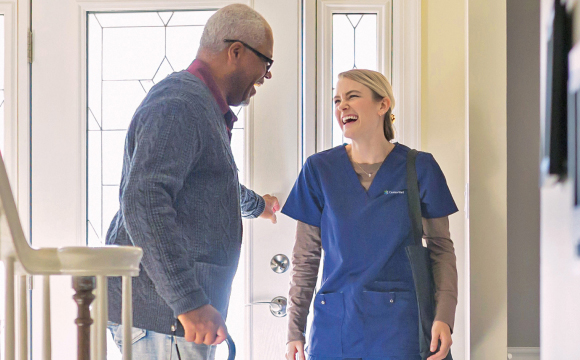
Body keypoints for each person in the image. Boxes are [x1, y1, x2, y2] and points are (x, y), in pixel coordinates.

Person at [105, 4, 280, 359]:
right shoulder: (181, 104)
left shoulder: (197, 105)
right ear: (236, 52)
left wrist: (258, 205)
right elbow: (144, 199)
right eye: (266, 62)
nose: (266, 76)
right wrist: (189, 302)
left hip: (170, 317)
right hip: (165, 317)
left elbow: (207, 187)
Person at [283, 69, 458, 360]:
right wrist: (294, 330)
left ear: (382, 105)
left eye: (352, 97)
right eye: (337, 100)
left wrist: (444, 316)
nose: (342, 107)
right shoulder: (318, 169)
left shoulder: (420, 168)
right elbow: (305, 256)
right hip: (334, 327)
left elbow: (442, 250)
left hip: (401, 327)